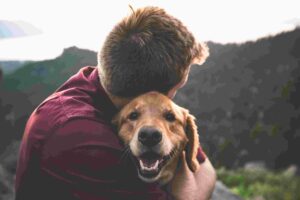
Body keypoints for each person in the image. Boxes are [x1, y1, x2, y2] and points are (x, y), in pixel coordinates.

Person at [15, 6, 216, 200]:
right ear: (151, 93)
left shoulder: (100, 82)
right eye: (178, 87)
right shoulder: (83, 139)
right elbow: (203, 176)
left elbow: (205, 168)